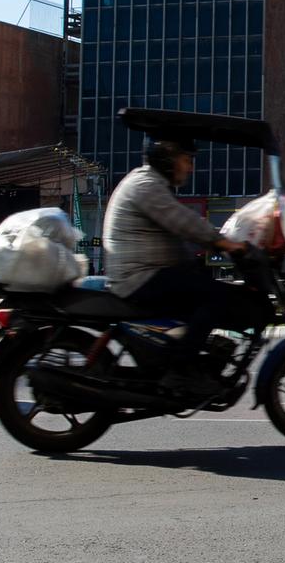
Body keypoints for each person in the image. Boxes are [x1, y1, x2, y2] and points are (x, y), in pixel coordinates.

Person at [102, 139, 252, 399]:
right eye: (186, 160)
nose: (190, 168)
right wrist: (224, 242)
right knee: (214, 296)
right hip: (138, 277)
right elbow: (182, 221)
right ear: (167, 159)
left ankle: (185, 356)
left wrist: (205, 256)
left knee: (203, 283)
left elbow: (173, 236)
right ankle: (181, 371)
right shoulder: (145, 185)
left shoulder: (152, 184)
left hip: (145, 273)